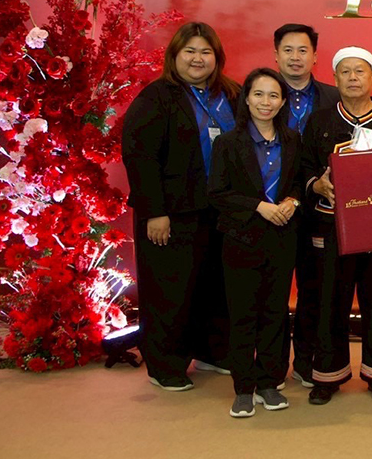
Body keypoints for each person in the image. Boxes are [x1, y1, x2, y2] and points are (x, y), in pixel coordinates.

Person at [122, 21, 239, 391]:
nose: (197, 58)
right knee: (171, 290)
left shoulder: (232, 94)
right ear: (174, 56)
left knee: (215, 286)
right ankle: (165, 365)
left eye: (205, 52)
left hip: (221, 211)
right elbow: (140, 158)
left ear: (216, 58)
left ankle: (212, 351)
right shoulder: (157, 97)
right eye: (189, 51)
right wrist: (154, 211)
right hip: (172, 213)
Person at [300, 47, 372, 405]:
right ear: (334, 79)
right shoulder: (319, 120)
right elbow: (302, 167)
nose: (352, 78)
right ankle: (327, 376)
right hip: (332, 226)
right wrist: (317, 185)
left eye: (359, 71)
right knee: (330, 300)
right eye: (344, 72)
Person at [208, 68, 302, 418]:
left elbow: (298, 182)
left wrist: (293, 201)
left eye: (274, 95)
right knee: (243, 315)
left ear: (282, 101)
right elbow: (217, 193)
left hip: (282, 238)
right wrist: (258, 207)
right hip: (241, 238)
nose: (266, 102)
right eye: (259, 94)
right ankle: (243, 387)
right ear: (247, 98)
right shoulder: (228, 143)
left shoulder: (293, 140)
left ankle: (269, 382)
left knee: (275, 314)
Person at [272, 23, 340, 390]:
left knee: (315, 290)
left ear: (315, 56)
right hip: (274, 208)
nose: (295, 57)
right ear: (276, 54)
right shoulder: (260, 94)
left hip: (319, 208)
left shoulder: (333, 97)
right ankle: (273, 366)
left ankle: (307, 363)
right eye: (288, 50)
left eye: (302, 51)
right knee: (274, 291)